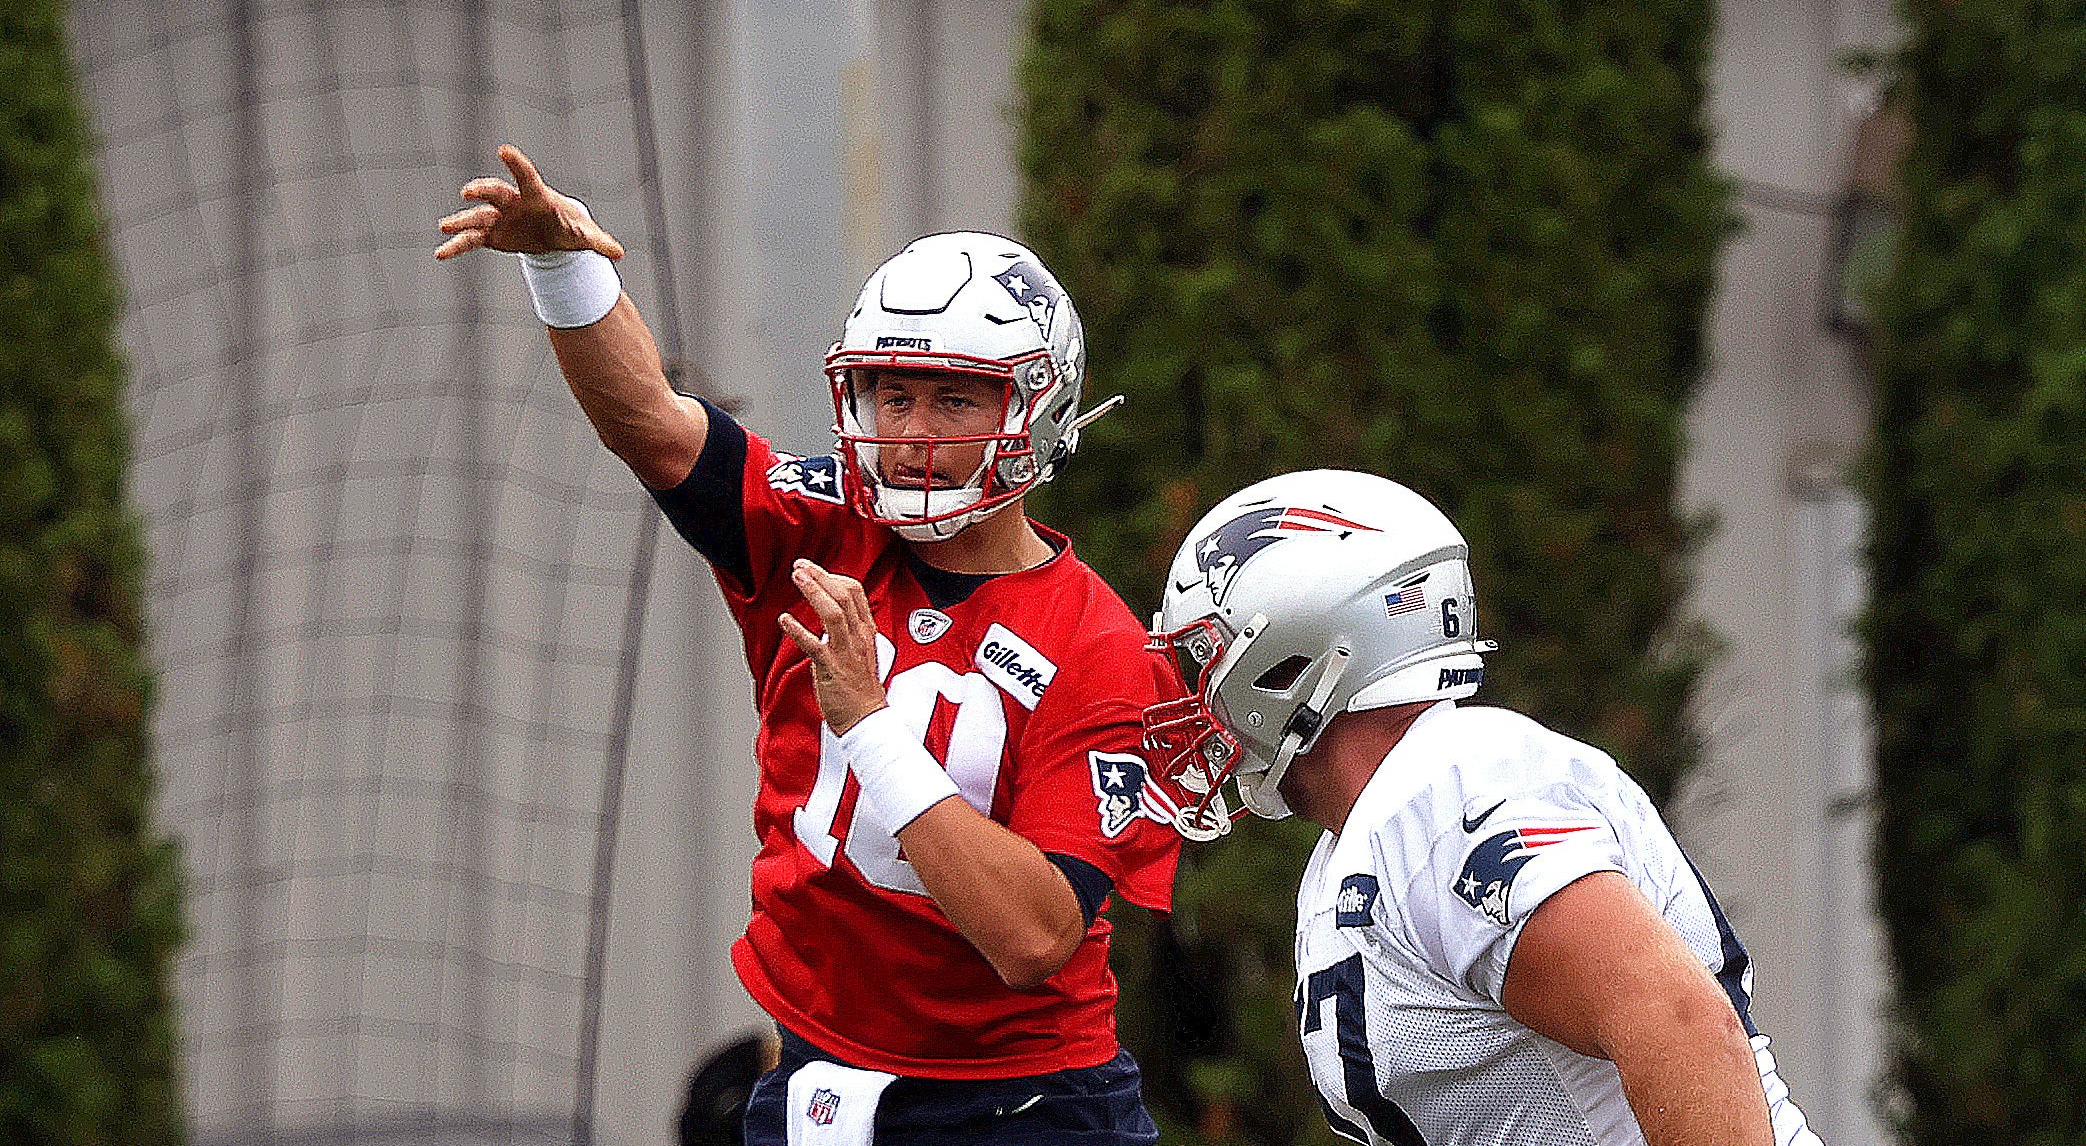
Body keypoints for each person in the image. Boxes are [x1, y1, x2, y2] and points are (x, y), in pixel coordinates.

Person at [436, 147, 1182, 1146]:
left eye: (954, 397)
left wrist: (870, 727)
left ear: (1033, 410)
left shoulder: (1099, 644)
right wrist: (560, 265)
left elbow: (1034, 936)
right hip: (819, 1072)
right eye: (891, 393)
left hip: (1020, 1101)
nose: (912, 430)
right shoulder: (823, 528)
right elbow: (653, 428)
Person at [1137, 469, 1823, 1146]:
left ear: (1297, 656)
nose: (1195, 698)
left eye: (1206, 657)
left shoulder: (1449, 797)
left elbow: (1679, 1023)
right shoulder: (1359, 844)